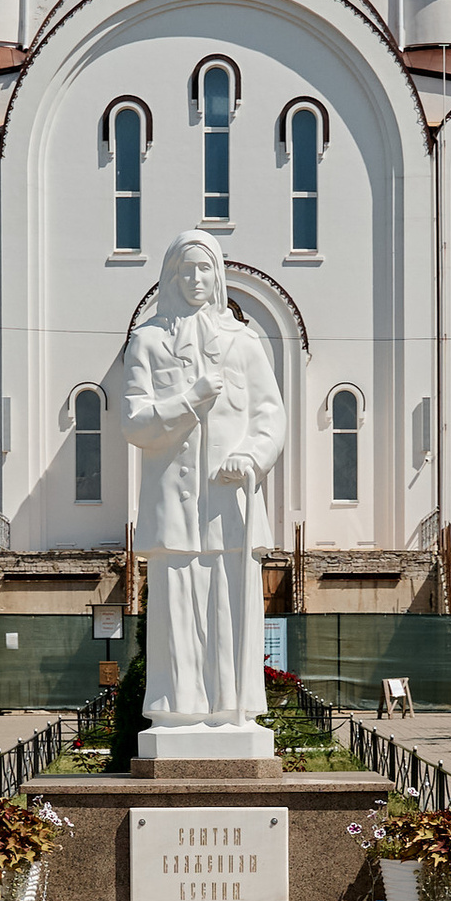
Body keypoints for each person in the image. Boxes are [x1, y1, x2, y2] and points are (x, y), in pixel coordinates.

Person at [122, 231, 287, 747]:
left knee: (230, 612)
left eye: (204, 270)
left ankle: (233, 714)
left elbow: (270, 416)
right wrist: (190, 398)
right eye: (185, 271)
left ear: (218, 277)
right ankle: (176, 714)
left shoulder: (243, 342)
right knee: (176, 613)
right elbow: (135, 423)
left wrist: (252, 456)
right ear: (171, 278)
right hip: (174, 510)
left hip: (229, 506)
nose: (195, 280)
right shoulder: (147, 342)